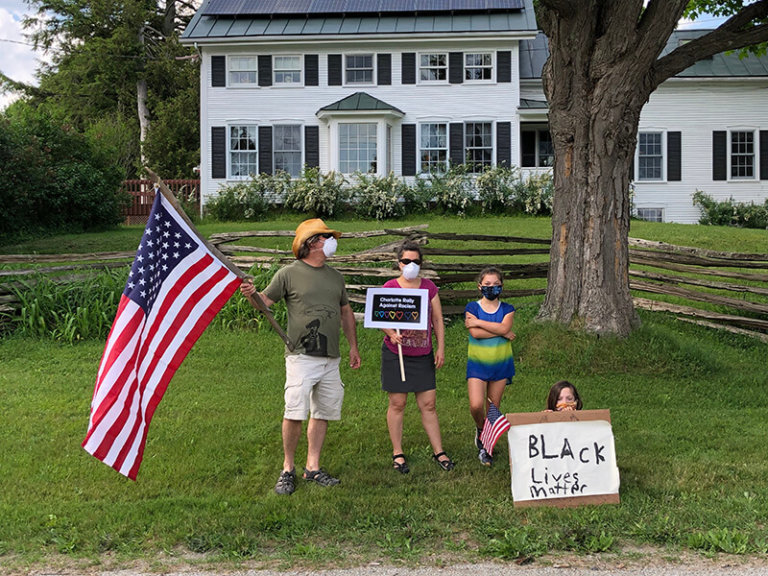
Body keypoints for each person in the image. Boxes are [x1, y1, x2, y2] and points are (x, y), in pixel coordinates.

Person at [240, 218, 361, 495]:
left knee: (323, 412)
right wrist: (250, 295)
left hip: (331, 357)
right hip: (301, 356)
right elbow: (264, 303)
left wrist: (353, 347)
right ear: (311, 243)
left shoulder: (335, 277)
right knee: (295, 411)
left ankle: (313, 467)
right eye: (326, 237)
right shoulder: (288, 274)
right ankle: (287, 469)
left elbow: (345, 313)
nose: (332, 241)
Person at [379, 241, 454, 474]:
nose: (411, 265)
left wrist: (440, 348)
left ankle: (439, 450)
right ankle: (397, 452)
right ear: (398, 263)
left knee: (429, 404)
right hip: (396, 354)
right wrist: (391, 334)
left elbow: (438, 320)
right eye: (406, 261)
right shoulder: (390, 286)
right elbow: (380, 316)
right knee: (397, 403)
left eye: (416, 261)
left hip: (423, 354)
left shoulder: (429, 287)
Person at [464, 266, 516, 467]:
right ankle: (480, 428)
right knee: (476, 405)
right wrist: (502, 332)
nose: (491, 288)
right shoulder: (472, 307)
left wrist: (479, 323)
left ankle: (486, 447)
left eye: (496, 284)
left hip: (500, 363)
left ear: (501, 286)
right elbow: (475, 334)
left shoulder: (507, 309)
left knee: (493, 407)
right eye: (487, 284)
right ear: (480, 286)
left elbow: (504, 326)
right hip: (477, 364)